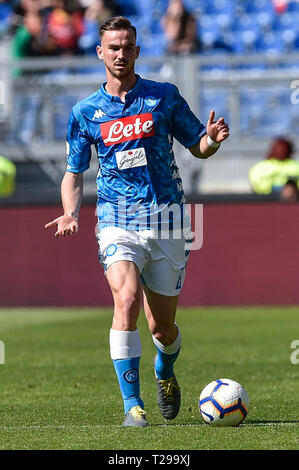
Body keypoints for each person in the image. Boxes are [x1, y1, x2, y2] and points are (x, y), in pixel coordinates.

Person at [45, 16, 229, 427]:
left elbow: (198, 146)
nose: (120, 54)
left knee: (162, 327)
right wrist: (71, 212)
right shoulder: (85, 112)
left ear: (138, 51)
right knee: (125, 300)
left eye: (127, 46)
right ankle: (133, 406)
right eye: (113, 47)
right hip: (116, 219)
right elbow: (74, 172)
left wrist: (212, 139)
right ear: (100, 52)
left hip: (167, 220)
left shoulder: (163, 96)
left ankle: (165, 369)